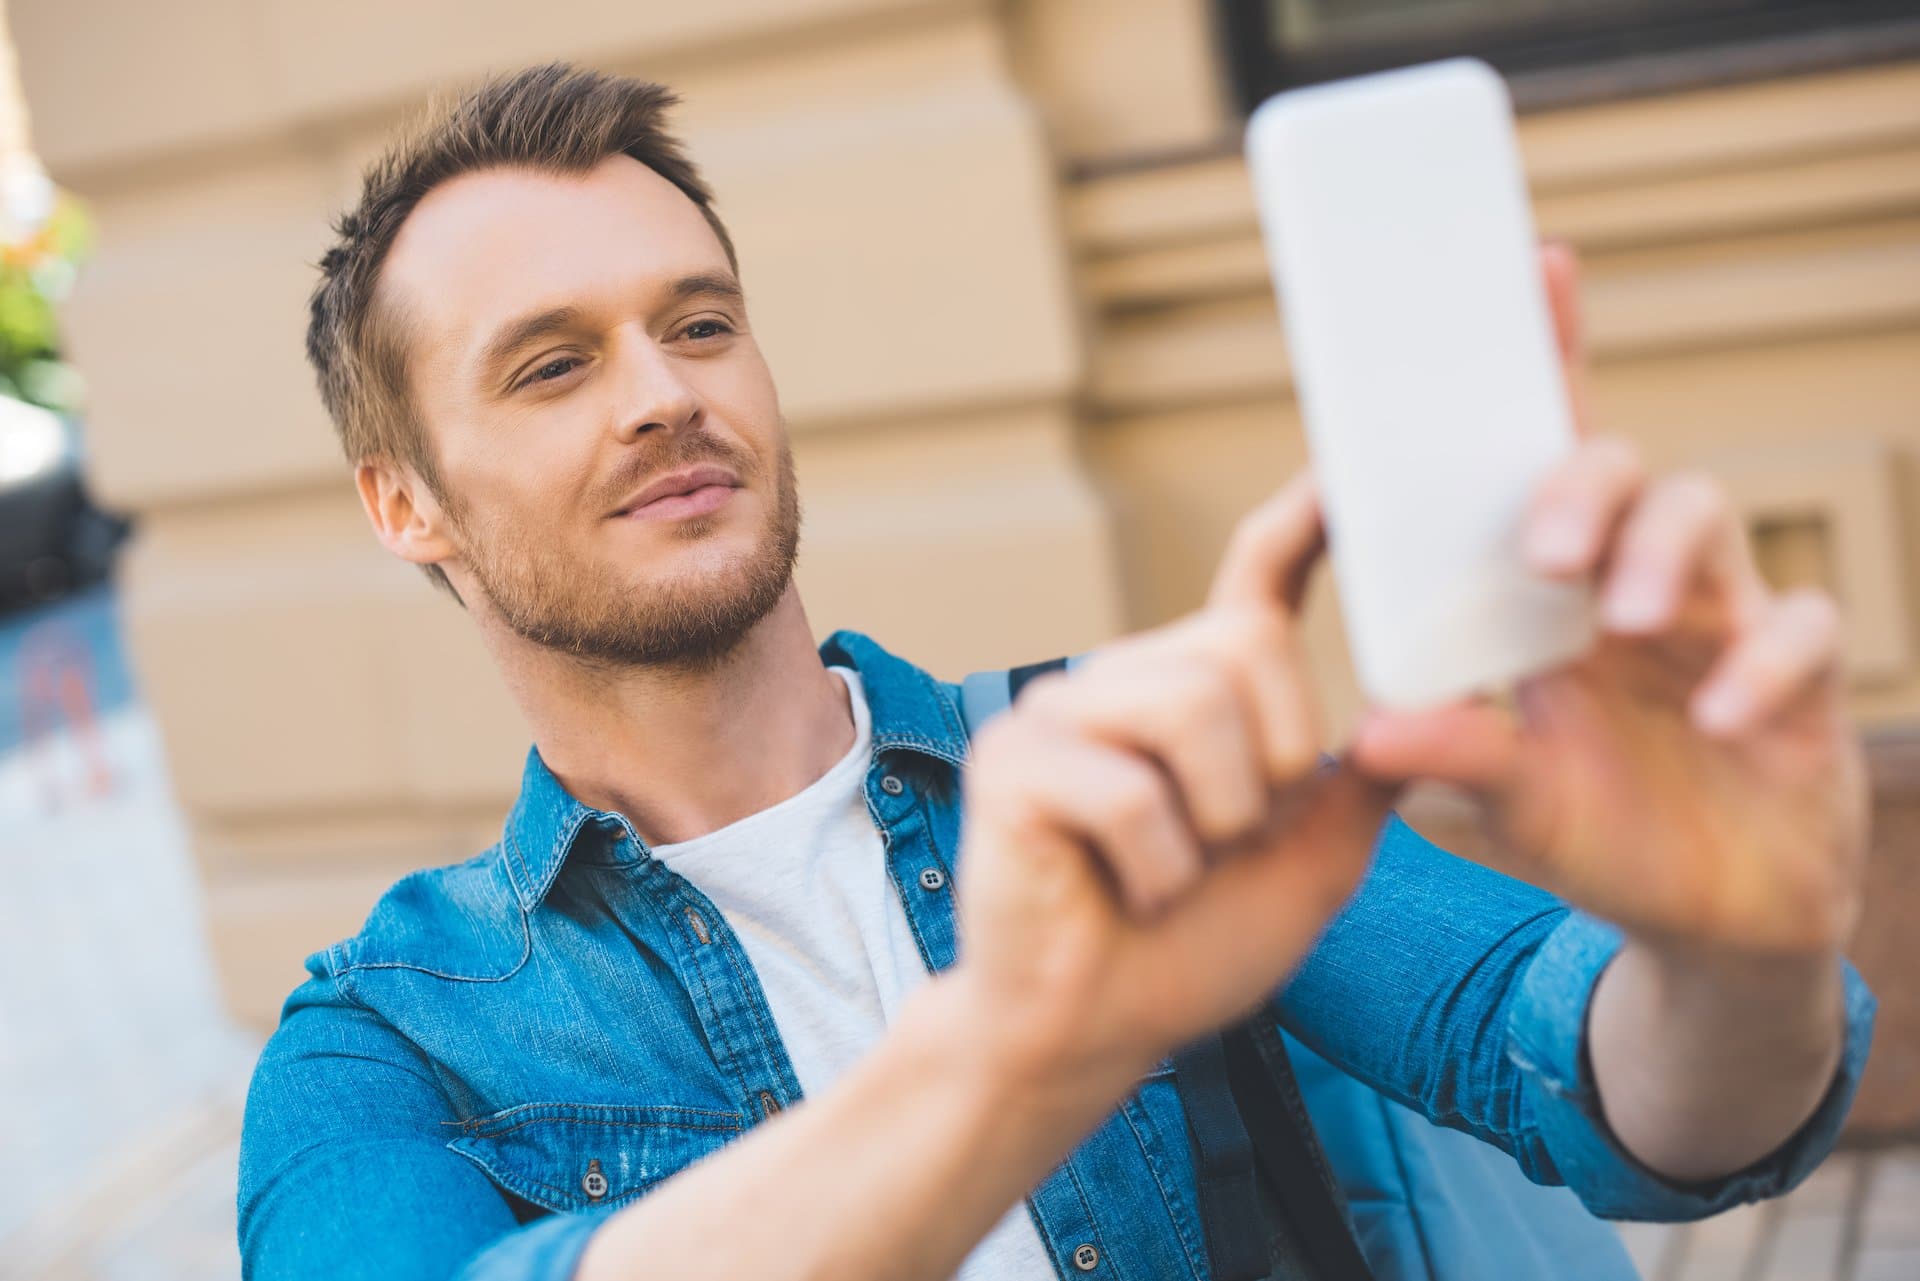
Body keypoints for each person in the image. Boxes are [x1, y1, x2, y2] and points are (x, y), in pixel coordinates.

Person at [237, 63, 1876, 1281]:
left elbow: (1591, 1073)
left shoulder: (1138, 763)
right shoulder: (387, 1040)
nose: (663, 393)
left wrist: (1744, 954)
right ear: (407, 503)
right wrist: (1025, 1048)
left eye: (702, 322)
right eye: (552, 364)